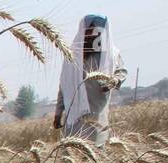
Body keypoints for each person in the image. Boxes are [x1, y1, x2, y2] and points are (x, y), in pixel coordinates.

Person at [54, 14, 127, 145]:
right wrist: (58, 113)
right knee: (72, 154)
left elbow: (121, 72)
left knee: (96, 154)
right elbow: (63, 86)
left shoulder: (112, 55)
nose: (96, 36)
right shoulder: (72, 57)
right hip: (74, 118)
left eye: (100, 32)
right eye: (92, 32)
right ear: (84, 32)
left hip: (98, 116)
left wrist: (114, 81)